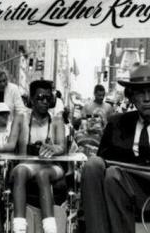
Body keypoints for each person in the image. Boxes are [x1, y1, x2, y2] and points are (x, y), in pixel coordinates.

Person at [81, 63, 150, 233]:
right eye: (141, 93)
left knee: (113, 176)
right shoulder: (117, 123)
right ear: (132, 97)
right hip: (124, 188)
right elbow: (103, 160)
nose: (147, 98)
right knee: (95, 166)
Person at [11, 80, 66, 233]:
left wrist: (54, 148)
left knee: (43, 175)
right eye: (40, 97)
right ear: (31, 99)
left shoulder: (57, 120)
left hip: (52, 166)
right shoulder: (20, 119)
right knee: (19, 171)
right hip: (28, 165)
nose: (44, 101)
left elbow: (62, 147)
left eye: (48, 98)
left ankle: (50, 228)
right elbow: (9, 145)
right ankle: (19, 227)